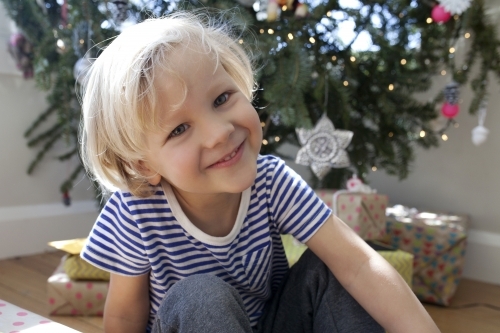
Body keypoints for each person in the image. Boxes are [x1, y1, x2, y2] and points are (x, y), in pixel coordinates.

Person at [79, 10, 440, 333]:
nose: (219, 132)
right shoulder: (135, 212)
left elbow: (360, 266)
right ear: (144, 166)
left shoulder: (272, 182)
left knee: (335, 267)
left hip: (271, 322)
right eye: (179, 129)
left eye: (222, 99)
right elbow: (124, 318)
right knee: (202, 295)